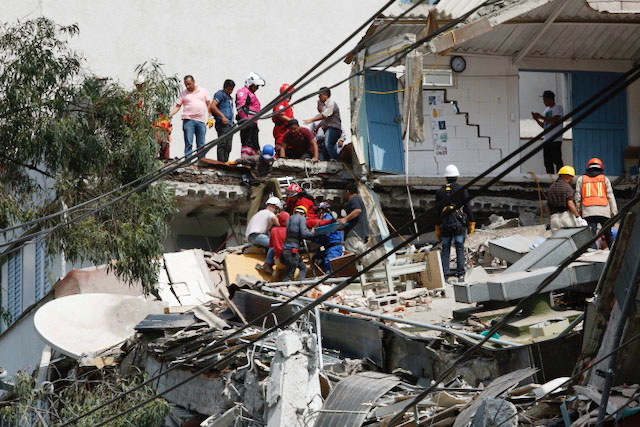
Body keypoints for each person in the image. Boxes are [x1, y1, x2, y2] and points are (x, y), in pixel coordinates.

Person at [434, 164, 475, 282]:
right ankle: (461, 274)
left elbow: (437, 211)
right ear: (457, 176)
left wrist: (437, 227)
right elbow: (467, 207)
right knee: (459, 247)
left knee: (445, 248)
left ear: (446, 177)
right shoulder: (461, 189)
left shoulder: (440, 191)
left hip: (445, 223)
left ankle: (445, 275)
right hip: (458, 224)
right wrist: (471, 222)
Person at [230, 145, 282, 220]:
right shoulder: (255, 158)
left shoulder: (273, 160)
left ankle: (280, 201)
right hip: (256, 184)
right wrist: (234, 162)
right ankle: (250, 225)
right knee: (254, 205)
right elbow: (243, 160)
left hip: (266, 182)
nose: (266, 161)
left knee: (274, 181)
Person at [575, 158, 618, 248]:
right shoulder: (604, 179)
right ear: (601, 168)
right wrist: (614, 213)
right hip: (604, 211)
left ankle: (592, 256)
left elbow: (577, 198)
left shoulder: (581, 179)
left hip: (588, 211)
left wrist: (578, 212)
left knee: (591, 236)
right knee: (608, 234)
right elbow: (610, 196)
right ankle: (613, 254)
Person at [169, 75, 211, 159]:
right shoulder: (184, 93)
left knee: (201, 144)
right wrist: (169, 115)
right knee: (189, 142)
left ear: (194, 82)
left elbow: (208, 104)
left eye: (189, 84)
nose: (187, 86)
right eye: (186, 84)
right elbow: (178, 106)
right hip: (188, 120)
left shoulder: (203, 91)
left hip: (201, 121)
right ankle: (188, 162)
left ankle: (202, 162)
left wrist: (210, 116)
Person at [303, 87, 342, 160]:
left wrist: (311, 120)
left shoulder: (331, 103)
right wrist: (317, 127)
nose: (319, 97)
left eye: (320, 95)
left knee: (328, 144)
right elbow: (325, 119)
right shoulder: (325, 106)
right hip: (328, 129)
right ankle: (327, 161)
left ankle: (338, 160)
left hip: (333, 129)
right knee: (325, 149)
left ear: (325, 95)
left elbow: (324, 115)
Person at [532, 90, 564, 174]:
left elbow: (555, 120)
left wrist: (541, 117)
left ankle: (560, 178)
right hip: (546, 139)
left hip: (555, 139)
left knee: (557, 160)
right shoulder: (546, 110)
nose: (544, 102)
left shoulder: (558, 107)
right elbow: (544, 126)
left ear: (550, 99)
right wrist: (536, 119)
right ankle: (550, 178)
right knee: (547, 162)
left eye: (545, 99)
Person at [338, 183, 370, 260]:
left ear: (348, 192)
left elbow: (357, 211)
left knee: (351, 257)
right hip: (361, 234)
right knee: (360, 257)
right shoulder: (358, 199)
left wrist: (345, 219)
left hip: (354, 233)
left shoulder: (353, 199)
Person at [282, 205, 315, 281]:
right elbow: (304, 234)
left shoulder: (289, 219)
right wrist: (312, 233)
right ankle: (282, 288)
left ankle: (301, 282)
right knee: (290, 274)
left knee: (303, 268)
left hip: (286, 250)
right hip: (292, 251)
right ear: (304, 214)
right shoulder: (301, 218)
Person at [236, 72, 265, 157]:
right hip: (248, 122)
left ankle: (253, 161)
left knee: (254, 145)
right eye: (256, 86)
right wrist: (245, 121)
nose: (257, 88)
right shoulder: (243, 92)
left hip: (253, 123)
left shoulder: (251, 94)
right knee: (247, 144)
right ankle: (246, 161)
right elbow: (241, 107)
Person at [547, 165, 584, 230]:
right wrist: (578, 217)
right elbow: (570, 203)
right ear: (567, 176)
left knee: (557, 239)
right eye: (572, 177)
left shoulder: (551, 188)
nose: (572, 179)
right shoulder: (567, 187)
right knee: (569, 238)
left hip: (554, 219)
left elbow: (548, 206)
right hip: (566, 218)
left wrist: (551, 219)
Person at [256, 211, 290, 276]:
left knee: (272, 248)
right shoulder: (290, 231)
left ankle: (267, 264)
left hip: (278, 260)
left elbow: (271, 244)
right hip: (289, 259)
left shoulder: (274, 230)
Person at [312, 201, 343, 274]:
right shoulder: (329, 219)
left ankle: (330, 280)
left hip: (333, 248)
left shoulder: (327, 220)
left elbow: (325, 235)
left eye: (317, 211)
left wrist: (312, 237)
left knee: (329, 267)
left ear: (321, 211)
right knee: (316, 257)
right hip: (329, 247)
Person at [209, 79, 235, 162]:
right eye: (229, 89)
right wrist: (222, 116)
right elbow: (213, 106)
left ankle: (225, 161)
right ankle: (221, 162)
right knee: (222, 143)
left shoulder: (229, 97)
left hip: (230, 124)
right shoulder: (220, 94)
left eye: (232, 89)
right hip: (222, 124)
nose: (230, 91)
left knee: (228, 145)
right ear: (225, 87)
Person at [273, 83, 295, 155]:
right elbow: (280, 114)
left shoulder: (286, 103)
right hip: (281, 129)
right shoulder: (281, 101)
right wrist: (292, 121)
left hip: (286, 129)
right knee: (281, 146)